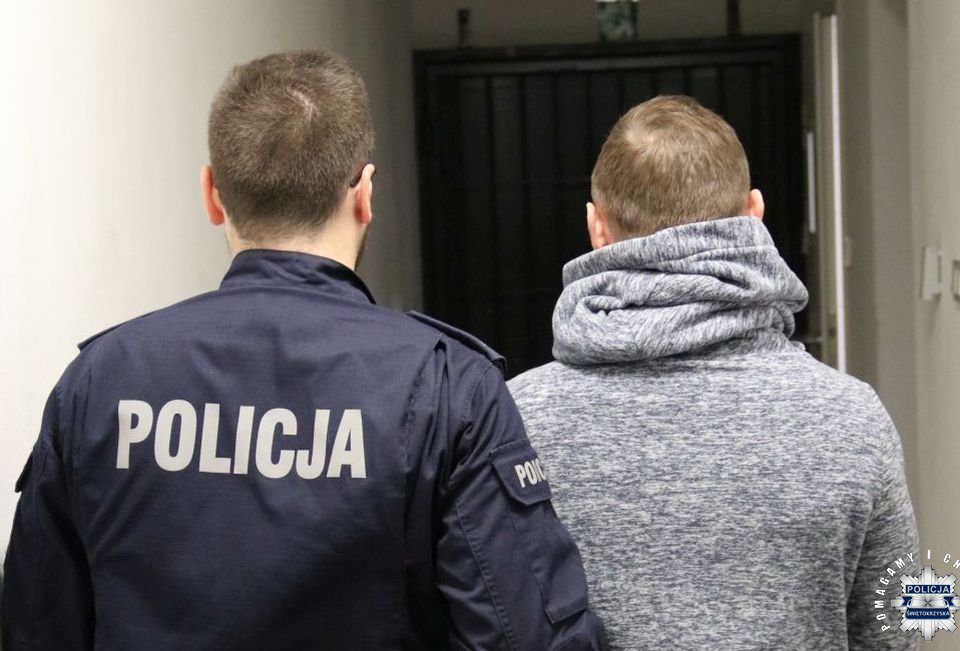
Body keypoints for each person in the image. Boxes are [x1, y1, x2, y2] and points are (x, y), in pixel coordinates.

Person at [2, 50, 604, 650]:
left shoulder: (99, 380)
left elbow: (34, 626)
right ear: (365, 194)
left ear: (212, 193)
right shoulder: (447, 387)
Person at [508, 95, 918, 649]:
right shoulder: (852, 416)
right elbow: (903, 621)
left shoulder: (514, 420)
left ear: (595, 227)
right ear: (754, 213)